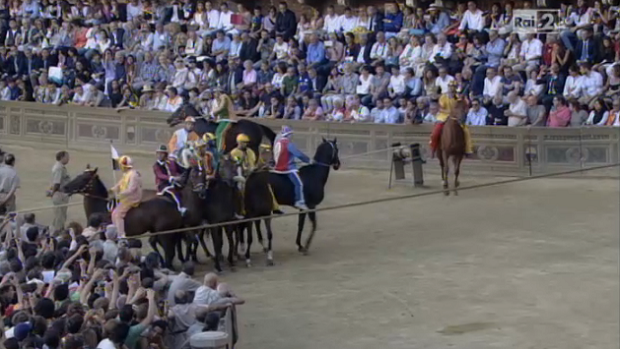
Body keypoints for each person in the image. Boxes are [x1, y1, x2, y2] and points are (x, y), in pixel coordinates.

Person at [273, 126, 311, 210]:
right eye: (291, 134)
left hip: (276, 167)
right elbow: (299, 154)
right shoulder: (289, 144)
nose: (292, 136)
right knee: (299, 184)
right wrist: (308, 160)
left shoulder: (278, 142)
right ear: (288, 135)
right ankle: (299, 201)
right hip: (287, 169)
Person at [110, 156, 143, 239]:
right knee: (113, 213)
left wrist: (120, 194)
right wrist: (112, 189)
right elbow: (120, 183)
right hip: (126, 197)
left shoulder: (133, 175)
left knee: (118, 214)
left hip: (133, 198)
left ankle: (121, 235)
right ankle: (116, 230)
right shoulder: (126, 174)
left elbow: (131, 189)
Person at [153, 145, 186, 215]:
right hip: (163, 185)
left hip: (175, 183)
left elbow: (181, 169)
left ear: (165, 154)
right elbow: (160, 175)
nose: (160, 155)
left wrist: (188, 171)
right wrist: (172, 178)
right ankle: (180, 208)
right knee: (173, 192)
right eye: (158, 153)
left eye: (162, 153)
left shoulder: (172, 163)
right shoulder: (156, 165)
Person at [230, 134, 256, 218]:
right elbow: (237, 165)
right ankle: (240, 209)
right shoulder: (234, 153)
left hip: (251, 173)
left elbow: (253, 162)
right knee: (241, 190)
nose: (246, 144)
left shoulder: (250, 151)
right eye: (244, 143)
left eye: (246, 143)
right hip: (240, 174)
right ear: (239, 143)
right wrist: (245, 169)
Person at [256, 144, 283, 215]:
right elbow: (258, 166)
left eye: (269, 151)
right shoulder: (259, 157)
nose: (268, 153)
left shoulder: (272, 157)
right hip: (260, 176)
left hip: (268, 175)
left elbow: (273, 165)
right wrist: (264, 167)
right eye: (266, 151)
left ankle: (275, 207)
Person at [47, 150, 71, 232]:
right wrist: (52, 193)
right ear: (62, 157)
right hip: (60, 194)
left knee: (60, 215)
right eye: (67, 157)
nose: (68, 159)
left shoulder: (59, 167)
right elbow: (57, 183)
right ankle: (57, 232)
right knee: (60, 216)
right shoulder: (59, 168)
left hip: (60, 193)